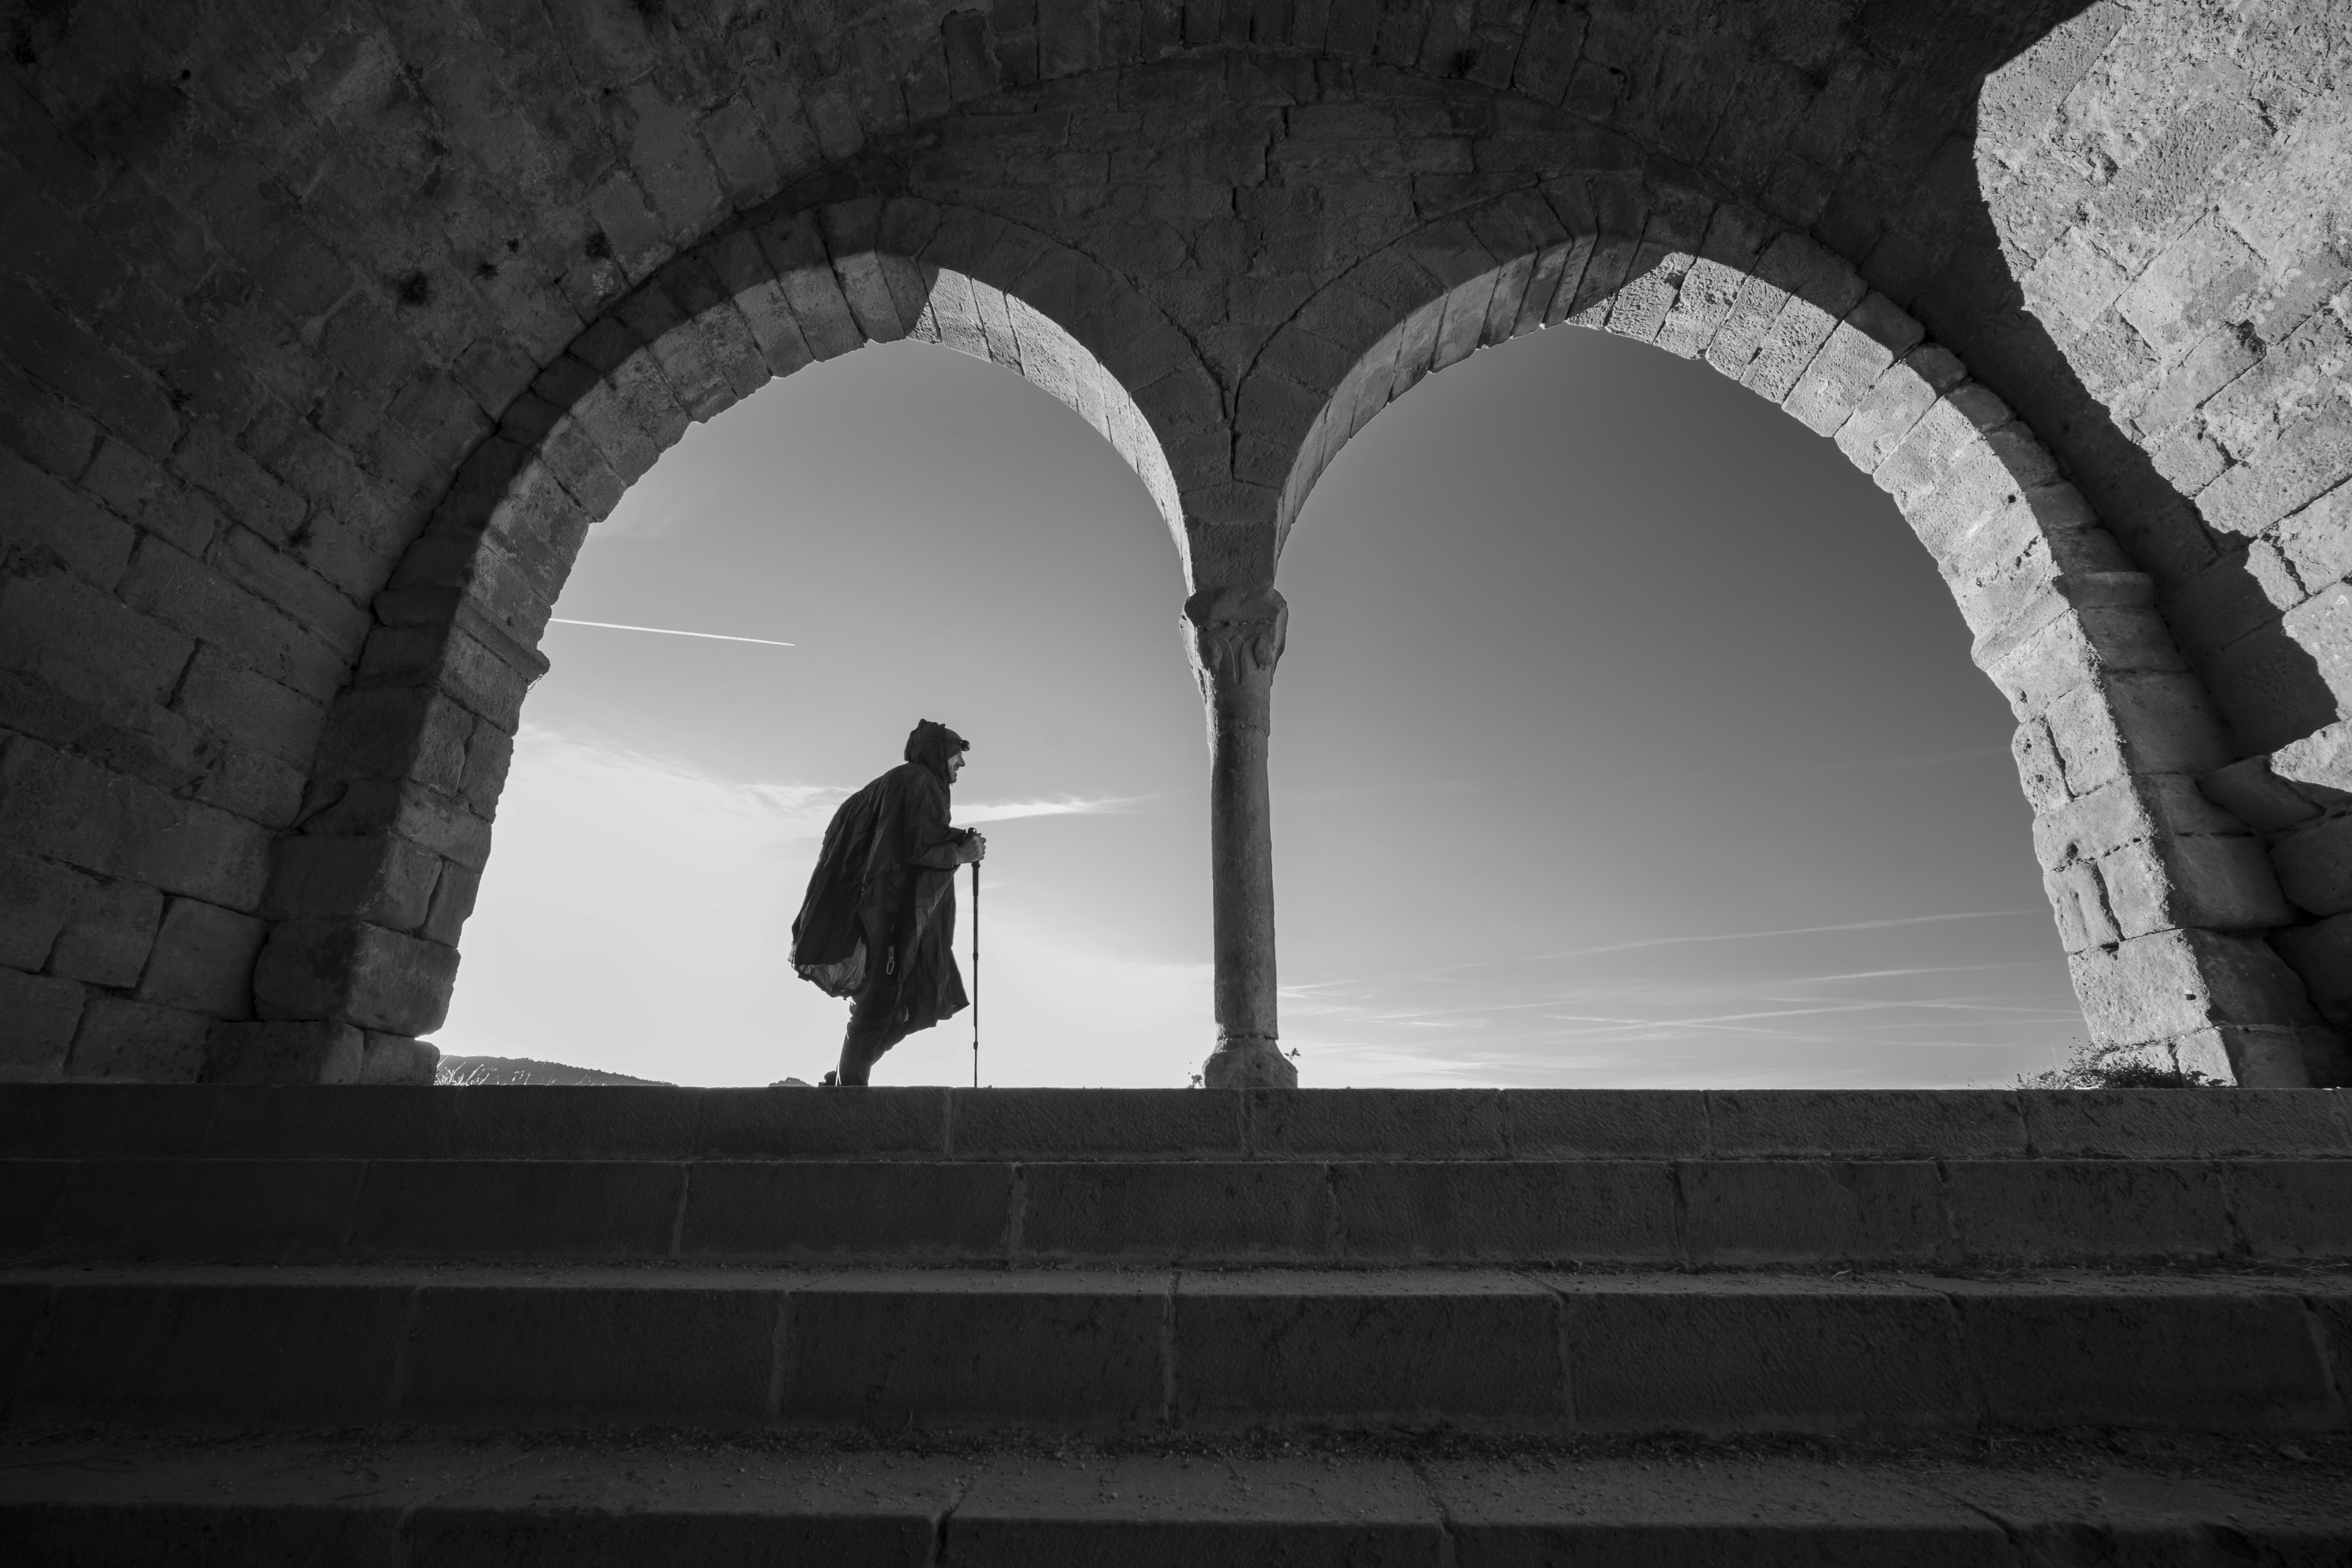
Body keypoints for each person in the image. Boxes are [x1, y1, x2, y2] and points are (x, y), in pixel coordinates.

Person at [789, 720, 986, 1086]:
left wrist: (956, 842)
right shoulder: (919, 781)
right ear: (938, 754)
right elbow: (917, 848)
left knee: (897, 1003)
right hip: (889, 914)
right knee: (883, 1004)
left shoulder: (899, 782)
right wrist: (961, 852)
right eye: (957, 757)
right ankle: (849, 1089)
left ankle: (846, 1077)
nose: (960, 766)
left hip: (879, 910)